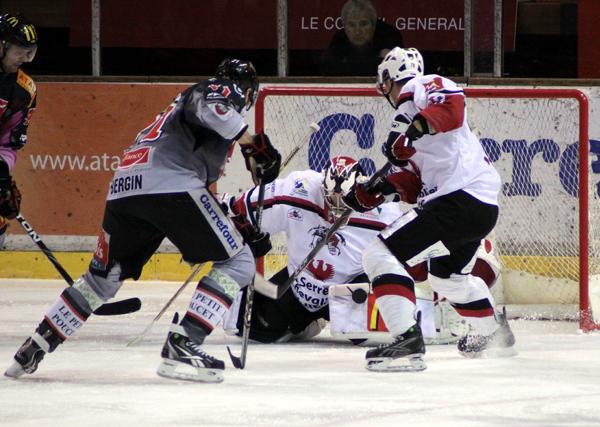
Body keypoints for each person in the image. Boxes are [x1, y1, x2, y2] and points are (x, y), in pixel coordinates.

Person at [4, 58, 282, 383]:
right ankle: (184, 344)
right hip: (169, 185)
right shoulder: (223, 90)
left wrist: (236, 224)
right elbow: (206, 104)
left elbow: (190, 202)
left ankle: (34, 346)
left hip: (126, 189)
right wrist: (252, 142)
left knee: (101, 280)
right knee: (239, 261)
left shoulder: (174, 117)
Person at [342, 47, 516, 372]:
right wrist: (377, 191)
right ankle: (495, 334)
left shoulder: (424, 86)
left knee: (379, 255)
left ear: (389, 78)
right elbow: (415, 182)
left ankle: (407, 343)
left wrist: (414, 129)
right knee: (446, 279)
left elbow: (453, 107)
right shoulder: (408, 115)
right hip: (474, 207)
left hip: (459, 199)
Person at [223, 156, 501, 345]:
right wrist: (238, 222)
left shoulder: (382, 211)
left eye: (342, 199)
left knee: (360, 332)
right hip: (298, 282)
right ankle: (305, 322)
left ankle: (438, 324)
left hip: (352, 288)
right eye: (330, 197)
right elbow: (244, 209)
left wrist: (458, 258)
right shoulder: (298, 188)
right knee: (251, 325)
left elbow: (414, 258)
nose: (335, 206)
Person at [0, 13, 38, 248]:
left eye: (29, 52)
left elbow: (8, 143)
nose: (24, 58)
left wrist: (2, 173)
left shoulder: (23, 90)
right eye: (19, 51)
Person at [320, 0, 404, 76]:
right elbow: (328, 72)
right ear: (344, 27)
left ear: (374, 25)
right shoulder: (339, 40)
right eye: (352, 25)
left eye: (363, 24)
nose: (357, 31)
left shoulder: (389, 36)